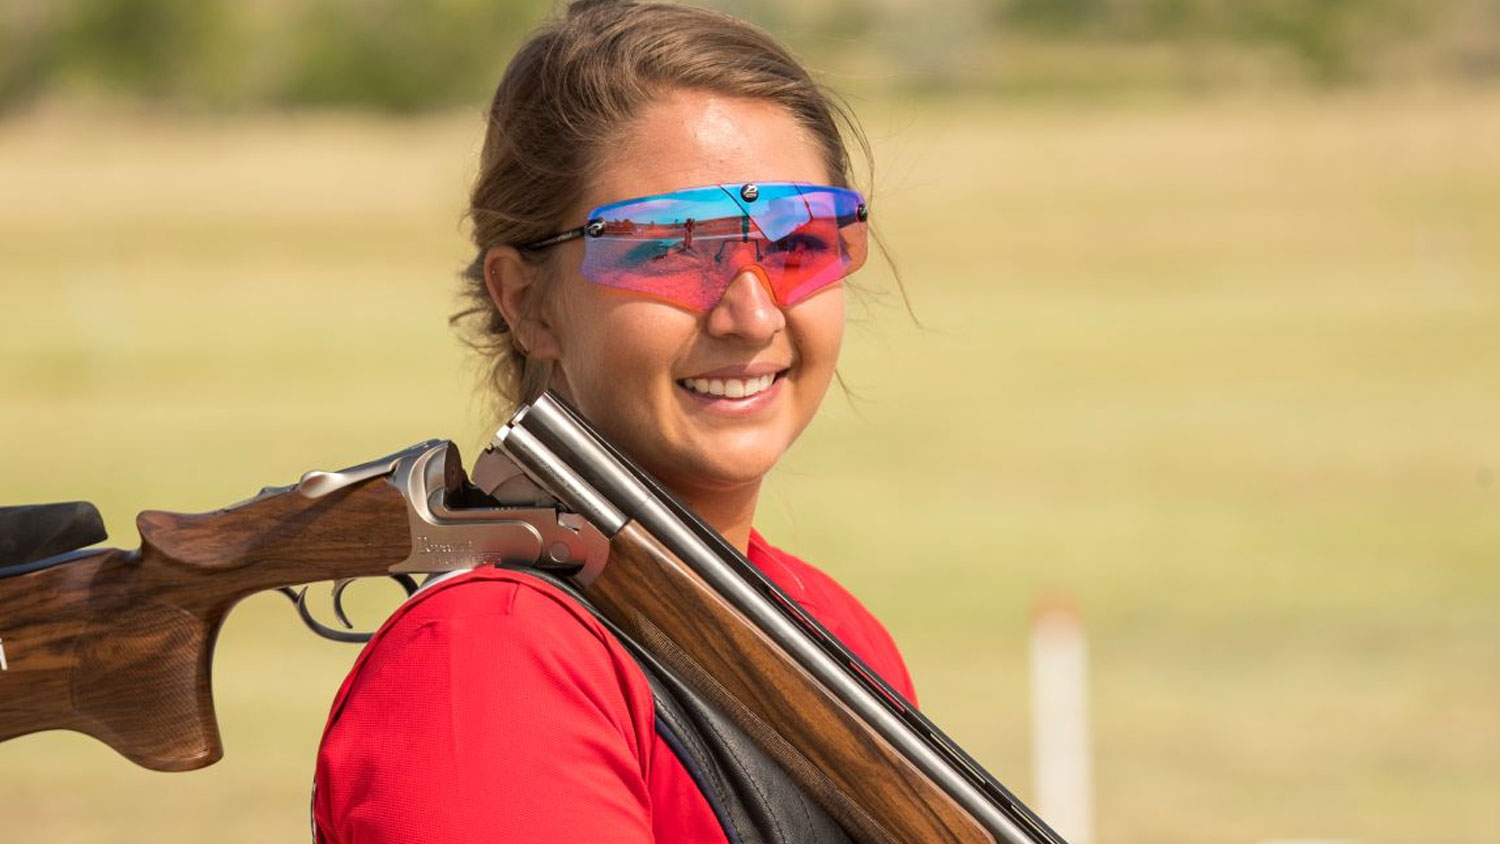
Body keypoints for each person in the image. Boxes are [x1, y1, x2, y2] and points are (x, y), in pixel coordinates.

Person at [313, 1, 916, 841]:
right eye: (672, 247)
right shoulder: (490, 655)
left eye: (798, 240)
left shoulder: (834, 630)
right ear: (528, 302)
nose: (751, 313)